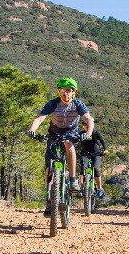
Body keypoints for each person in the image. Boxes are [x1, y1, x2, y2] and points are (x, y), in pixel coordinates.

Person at [28, 77, 94, 217]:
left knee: (68, 145)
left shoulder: (77, 104)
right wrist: (32, 129)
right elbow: (40, 118)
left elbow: (88, 119)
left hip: (71, 133)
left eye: (69, 91)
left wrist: (88, 132)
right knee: (49, 168)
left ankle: (72, 179)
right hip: (54, 134)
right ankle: (49, 200)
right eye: (63, 91)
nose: (66, 94)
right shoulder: (53, 104)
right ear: (59, 92)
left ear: (73, 92)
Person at [78, 120, 109, 199]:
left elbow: (102, 141)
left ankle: (99, 188)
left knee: (95, 168)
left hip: (96, 154)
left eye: (88, 124)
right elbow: (75, 142)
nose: (86, 126)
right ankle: (81, 188)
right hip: (85, 154)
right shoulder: (81, 134)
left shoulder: (96, 133)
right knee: (82, 169)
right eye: (84, 124)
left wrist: (105, 149)